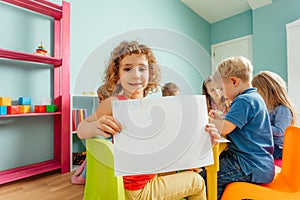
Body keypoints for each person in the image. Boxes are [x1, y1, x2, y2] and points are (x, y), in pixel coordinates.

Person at [77, 40, 220, 200]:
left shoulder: (154, 106)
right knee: (198, 183)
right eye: (127, 68)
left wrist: (204, 141)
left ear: (150, 74)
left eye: (142, 69)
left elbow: (171, 145)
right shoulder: (113, 103)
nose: (136, 74)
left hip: (148, 177)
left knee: (189, 173)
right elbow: (82, 129)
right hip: (136, 190)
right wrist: (95, 126)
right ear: (117, 75)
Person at [203, 56, 275, 199]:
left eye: (221, 88)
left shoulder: (244, 100)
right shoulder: (254, 97)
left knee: (205, 179)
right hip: (257, 163)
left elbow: (224, 129)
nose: (221, 93)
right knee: (213, 164)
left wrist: (205, 118)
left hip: (249, 164)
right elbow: (231, 124)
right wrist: (218, 118)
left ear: (234, 82)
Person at [71, 84, 110, 185]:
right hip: (104, 142)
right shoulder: (102, 113)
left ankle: (83, 176)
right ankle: (84, 171)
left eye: (101, 99)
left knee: (94, 149)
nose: (100, 102)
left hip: (108, 145)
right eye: (99, 99)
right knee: (93, 147)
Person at [252, 71, 296, 159]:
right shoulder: (269, 107)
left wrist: (260, 126)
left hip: (278, 149)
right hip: (270, 145)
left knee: (252, 153)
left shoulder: (282, 109)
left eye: (257, 91)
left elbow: (280, 131)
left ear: (267, 91)